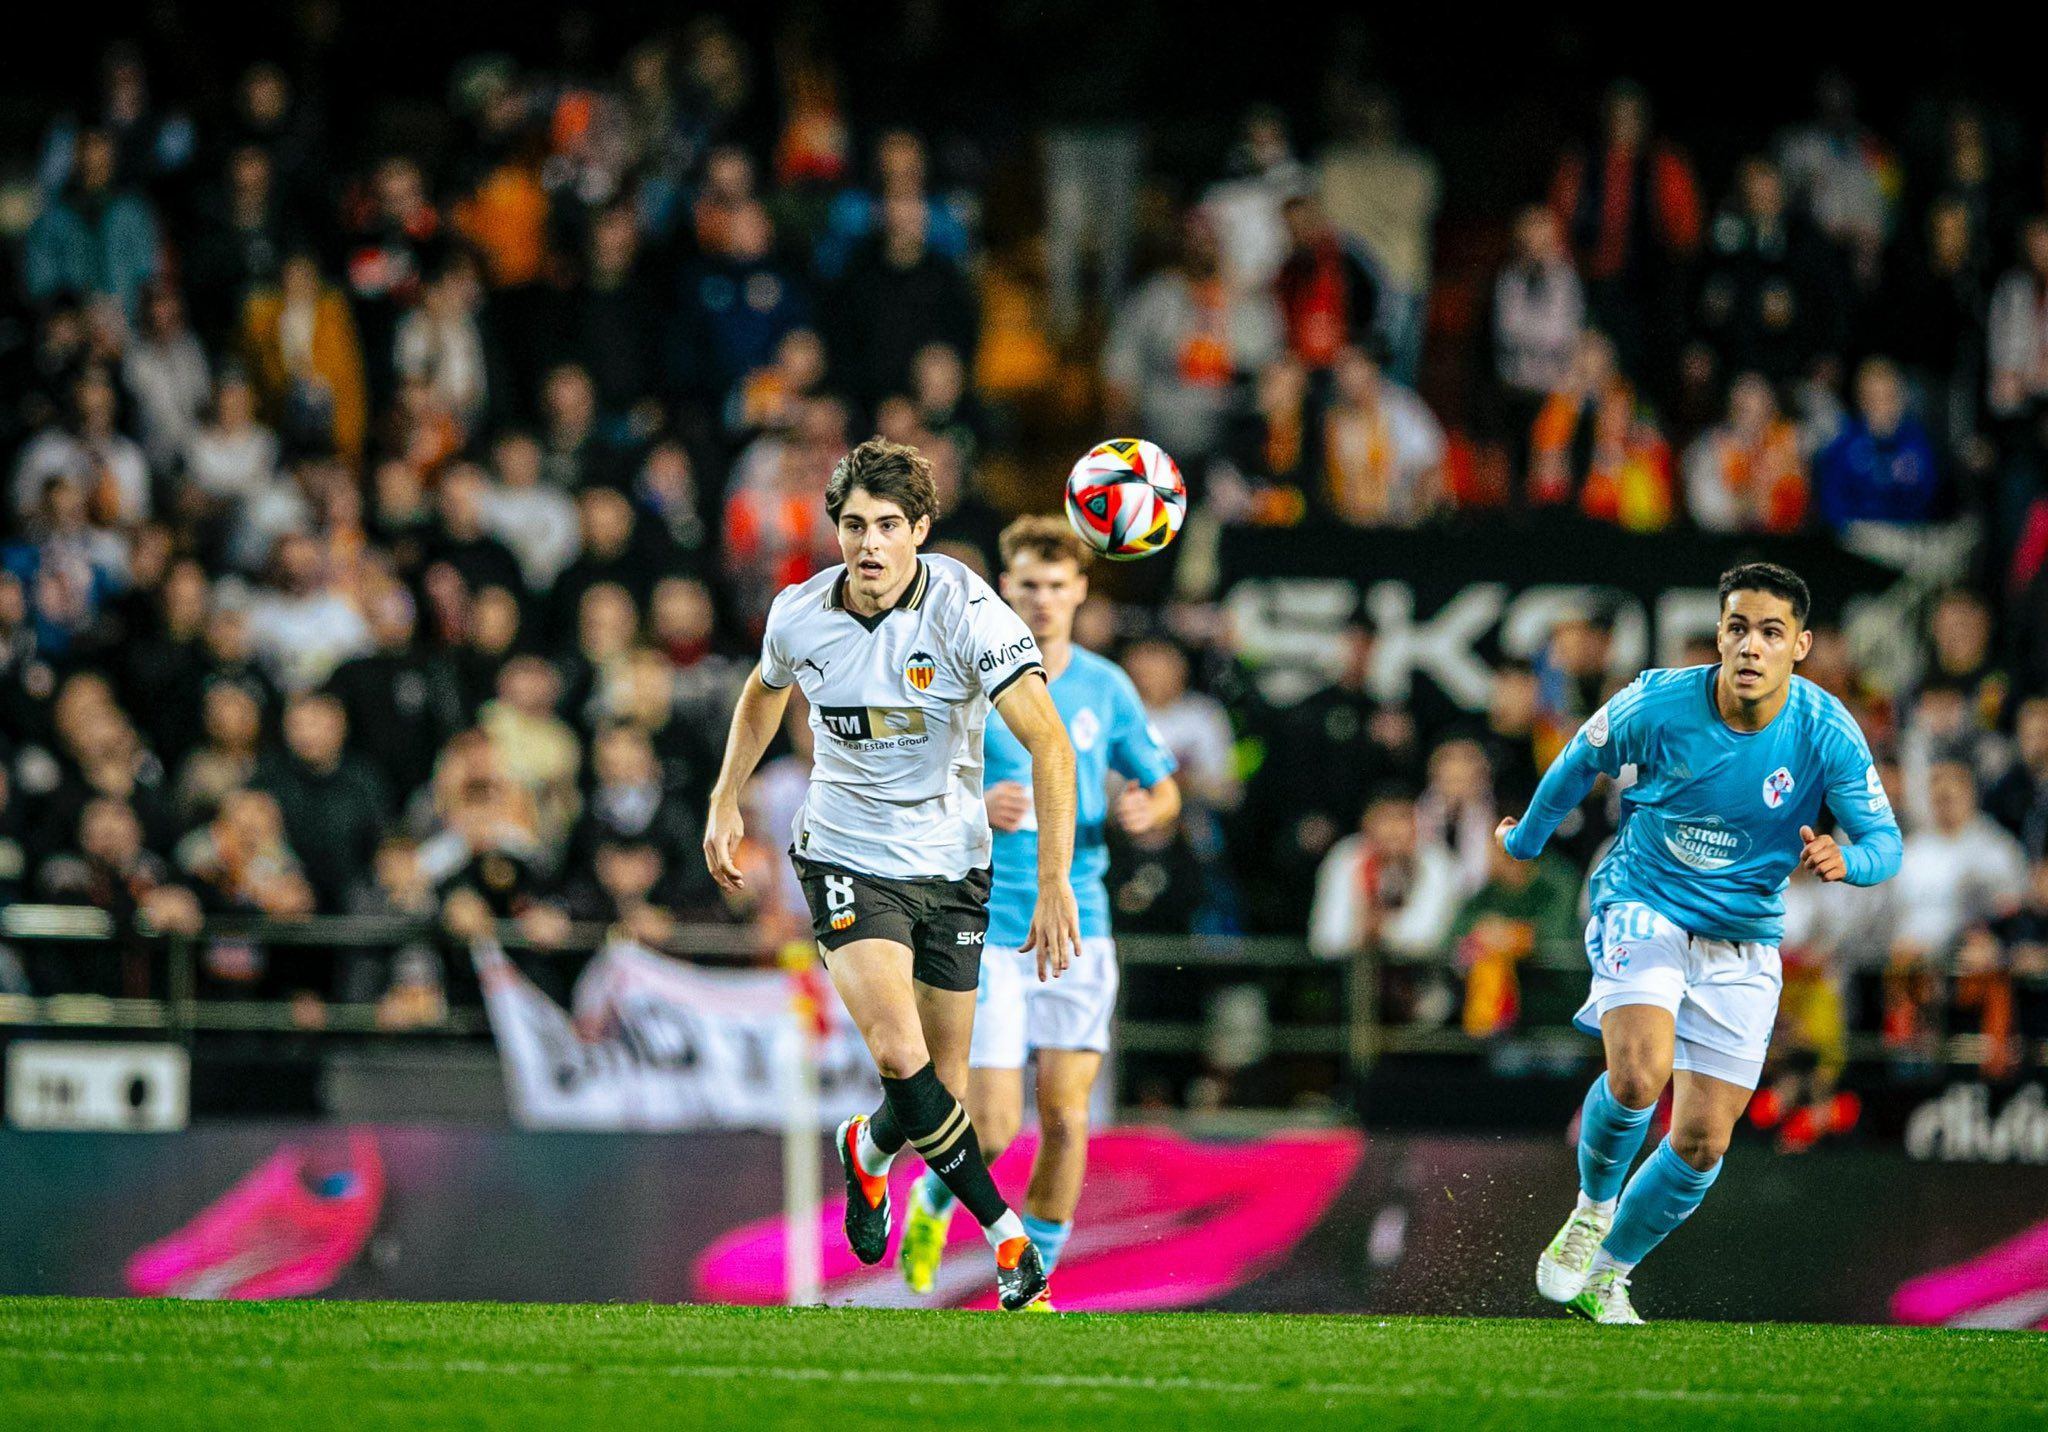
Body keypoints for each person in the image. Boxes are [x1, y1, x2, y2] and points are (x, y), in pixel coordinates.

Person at [702, 437, 1078, 1311]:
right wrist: (728, 796)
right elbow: (765, 691)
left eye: (887, 527)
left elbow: (1051, 747)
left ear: (921, 531)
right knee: (900, 1052)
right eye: (853, 525)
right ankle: (1008, 1238)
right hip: (845, 851)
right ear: (833, 530)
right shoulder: (799, 613)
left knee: (935, 1094)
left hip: (951, 863)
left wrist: (1053, 880)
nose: (868, 544)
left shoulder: (966, 612)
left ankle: (866, 1154)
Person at [1500, 563, 1901, 1323]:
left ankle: (1608, 1272)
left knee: (1703, 1141)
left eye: (1771, 632)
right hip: (1643, 902)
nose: (1752, 646)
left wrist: (1851, 861)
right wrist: (1525, 840)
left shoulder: (1825, 730)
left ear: (1801, 646)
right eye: (1739, 628)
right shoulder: (1658, 701)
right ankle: (1591, 1210)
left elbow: (1886, 841)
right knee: (1639, 1076)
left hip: (1743, 938)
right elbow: (1577, 762)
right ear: (1719, 635)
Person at [898, 516, 1180, 1306]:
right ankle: (933, 1196)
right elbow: (910, 787)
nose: (1044, 601)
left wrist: (1150, 809)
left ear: (1082, 592)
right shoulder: (965, 680)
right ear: (1004, 589)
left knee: (1065, 1116)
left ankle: (1035, 1280)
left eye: (1059, 586)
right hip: (985, 927)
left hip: (1079, 923)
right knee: (990, 1129)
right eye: (1028, 586)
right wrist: (975, 801)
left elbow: (1163, 783)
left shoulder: (1105, 687)